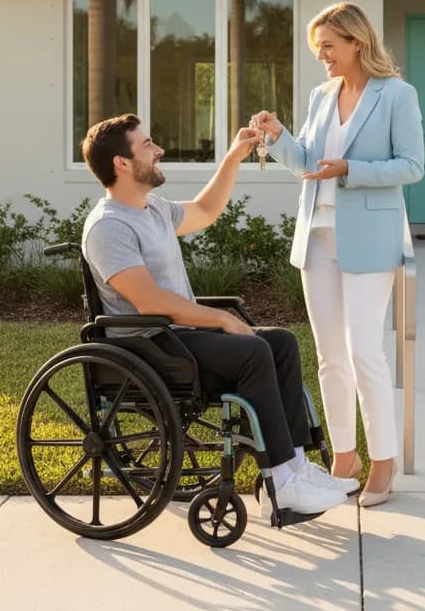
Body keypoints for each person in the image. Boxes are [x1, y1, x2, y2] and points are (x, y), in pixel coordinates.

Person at [79, 113, 357, 522]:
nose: (159, 151)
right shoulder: (108, 227)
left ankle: (294, 467)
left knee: (280, 342)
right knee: (252, 352)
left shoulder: (151, 208)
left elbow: (206, 210)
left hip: (176, 336)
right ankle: (281, 477)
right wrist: (220, 319)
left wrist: (235, 155)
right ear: (121, 163)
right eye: (147, 145)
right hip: (148, 346)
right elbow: (148, 300)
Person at [250, 2, 425, 507]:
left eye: (328, 45)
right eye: (318, 47)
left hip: (369, 237)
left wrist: (350, 169)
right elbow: (307, 161)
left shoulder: (397, 95)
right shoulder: (321, 96)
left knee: (364, 350)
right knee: (329, 357)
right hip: (318, 236)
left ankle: (384, 460)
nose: (322, 56)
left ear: (356, 43)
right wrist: (279, 136)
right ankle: (344, 457)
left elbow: (411, 166)